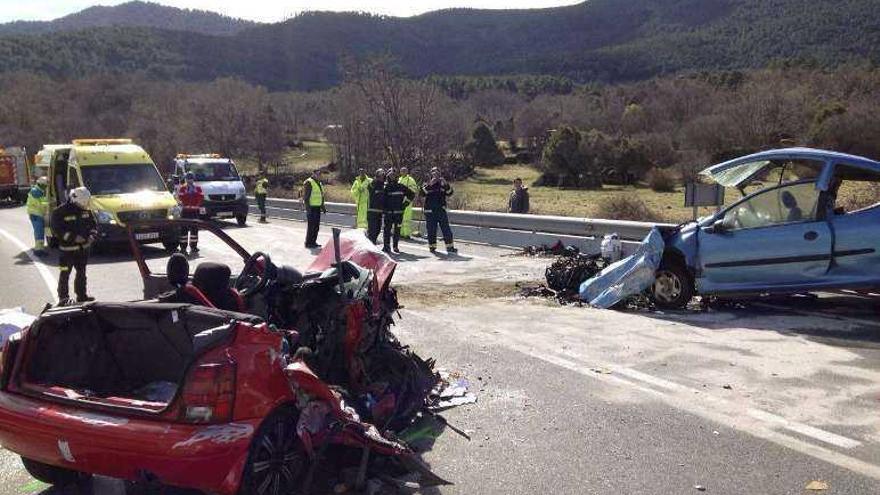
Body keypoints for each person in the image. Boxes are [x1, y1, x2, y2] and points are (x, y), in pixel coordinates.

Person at [52, 187, 97, 304]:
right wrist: (73, 238)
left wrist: (92, 235)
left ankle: (82, 296)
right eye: (84, 203)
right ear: (76, 200)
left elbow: (93, 225)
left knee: (82, 273)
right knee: (64, 274)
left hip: (83, 250)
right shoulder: (59, 212)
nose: (85, 205)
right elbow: (57, 230)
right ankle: (63, 298)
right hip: (66, 251)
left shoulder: (86, 210)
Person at [421, 167, 457, 254]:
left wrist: (446, 184)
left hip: (441, 210)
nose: (435, 175)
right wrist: (430, 185)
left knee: (446, 229)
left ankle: (450, 247)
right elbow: (421, 194)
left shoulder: (442, 184)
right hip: (430, 211)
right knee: (431, 230)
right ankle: (432, 247)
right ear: (431, 174)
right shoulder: (427, 183)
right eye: (433, 173)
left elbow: (450, 193)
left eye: (437, 173)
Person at [382, 168, 415, 253]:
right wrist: (384, 210)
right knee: (387, 230)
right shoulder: (385, 187)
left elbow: (411, 194)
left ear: (396, 177)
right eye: (390, 176)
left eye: (394, 176)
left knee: (397, 231)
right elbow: (382, 200)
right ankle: (386, 246)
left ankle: (395, 246)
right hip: (388, 213)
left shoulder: (401, 186)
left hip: (398, 213)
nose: (392, 177)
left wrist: (404, 205)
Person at [177, 172, 204, 253]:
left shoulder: (198, 188)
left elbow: (201, 197)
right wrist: (187, 193)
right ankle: (183, 248)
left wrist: (195, 192)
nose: (189, 181)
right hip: (185, 211)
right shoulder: (183, 188)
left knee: (194, 230)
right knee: (183, 231)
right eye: (188, 179)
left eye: (190, 179)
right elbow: (180, 197)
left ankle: (193, 246)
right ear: (185, 179)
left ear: (193, 179)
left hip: (194, 211)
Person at [26, 177, 50, 256]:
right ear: (41, 184)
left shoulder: (36, 190)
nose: (46, 187)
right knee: (39, 233)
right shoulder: (37, 192)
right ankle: (39, 250)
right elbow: (43, 204)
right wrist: (49, 204)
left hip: (35, 214)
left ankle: (39, 249)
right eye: (45, 185)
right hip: (37, 215)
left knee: (39, 232)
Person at [303, 169, 326, 248]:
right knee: (311, 226)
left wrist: (322, 206)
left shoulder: (319, 183)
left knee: (316, 226)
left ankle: (313, 242)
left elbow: (321, 196)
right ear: (313, 174)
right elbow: (306, 197)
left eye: (320, 174)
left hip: (317, 207)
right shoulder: (309, 182)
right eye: (318, 174)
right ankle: (308, 243)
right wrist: (308, 209)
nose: (319, 175)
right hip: (311, 208)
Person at [398, 167, 419, 239]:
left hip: (407, 201)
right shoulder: (399, 179)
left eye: (404, 171)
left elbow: (414, 190)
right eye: (402, 171)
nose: (403, 172)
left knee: (406, 218)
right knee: (400, 218)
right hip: (399, 201)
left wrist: (408, 198)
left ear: (407, 172)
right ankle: (400, 233)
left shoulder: (410, 180)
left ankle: (406, 234)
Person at [366, 169, 386, 244]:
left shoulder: (383, 186)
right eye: (380, 176)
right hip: (372, 211)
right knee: (372, 230)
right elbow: (369, 186)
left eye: (382, 176)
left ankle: (372, 242)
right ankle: (370, 245)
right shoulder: (373, 184)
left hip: (379, 212)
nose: (381, 177)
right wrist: (376, 179)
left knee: (378, 229)